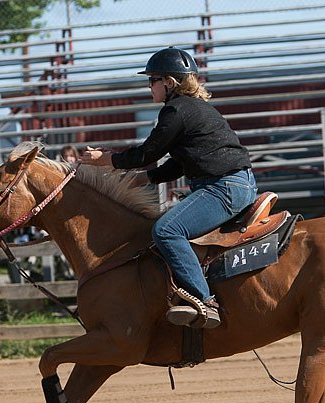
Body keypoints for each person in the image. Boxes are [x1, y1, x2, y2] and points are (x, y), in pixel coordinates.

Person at [80, 47, 257, 329]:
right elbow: (180, 163)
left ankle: (205, 301)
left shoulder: (175, 111)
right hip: (234, 183)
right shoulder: (196, 109)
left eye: (152, 80)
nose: (149, 86)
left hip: (222, 187)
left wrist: (106, 161)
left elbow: (147, 153)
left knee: (166, 230)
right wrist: (145, 179)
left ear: (170, 83)